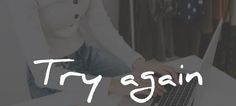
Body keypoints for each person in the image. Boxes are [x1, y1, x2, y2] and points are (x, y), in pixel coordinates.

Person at [8, 0, 177, 99]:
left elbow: (101, 25)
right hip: (51, 74)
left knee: (146, 85)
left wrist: (137, 62)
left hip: (85, 55)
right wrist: (114, 85)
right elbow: (44, 74)